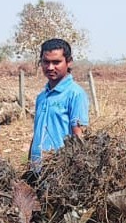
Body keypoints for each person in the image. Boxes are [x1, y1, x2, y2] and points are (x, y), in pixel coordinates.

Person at [29, 38, 89, 167]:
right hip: (38, 169)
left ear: (69, 62)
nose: (50, 67)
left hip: (59, 170)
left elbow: (78, 136)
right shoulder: (42, 97)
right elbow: (38, 134)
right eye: (46, 62)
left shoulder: (75, 94)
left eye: (56, 62)